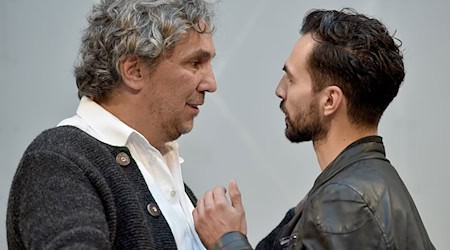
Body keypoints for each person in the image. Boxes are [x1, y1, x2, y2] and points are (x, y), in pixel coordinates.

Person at [192, 8, 435, 250]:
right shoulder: (365, 186)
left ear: (329, 101)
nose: (280, 90)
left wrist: (226, 240)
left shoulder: (347, 201)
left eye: (291, 79)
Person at [7, 0, 217, 248]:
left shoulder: (165, 176)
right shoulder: (59, 161)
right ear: (134, 70)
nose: (211, 84)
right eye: (195, 63)